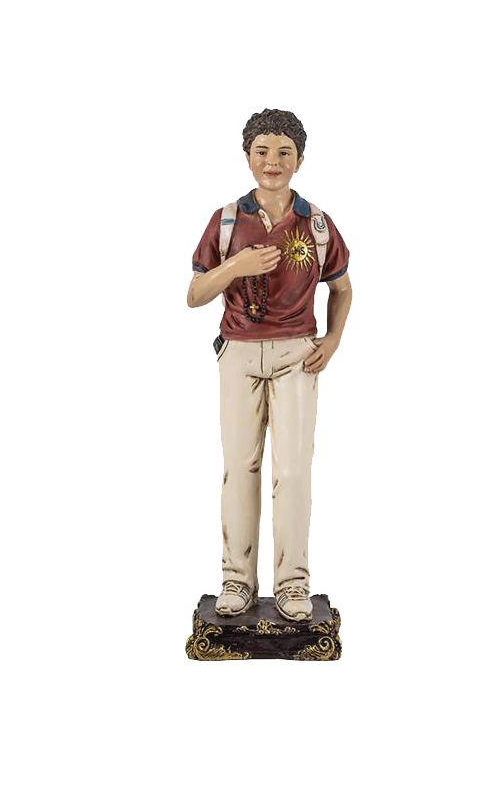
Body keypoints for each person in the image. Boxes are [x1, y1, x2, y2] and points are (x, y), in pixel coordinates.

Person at [186, 108, 353, 621]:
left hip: (296, 355)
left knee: (293, 469)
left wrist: (333, 338)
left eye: (284, 152)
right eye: (262, 151)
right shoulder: (226, 219)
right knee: (239, 466)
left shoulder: (316, 222)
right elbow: (194, 295)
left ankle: (293, 584)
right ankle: (236, 580)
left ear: (299, 160)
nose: (272, 161)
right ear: (247, 158)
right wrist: (236, 265)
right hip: (238, 352)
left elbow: (341, 289)